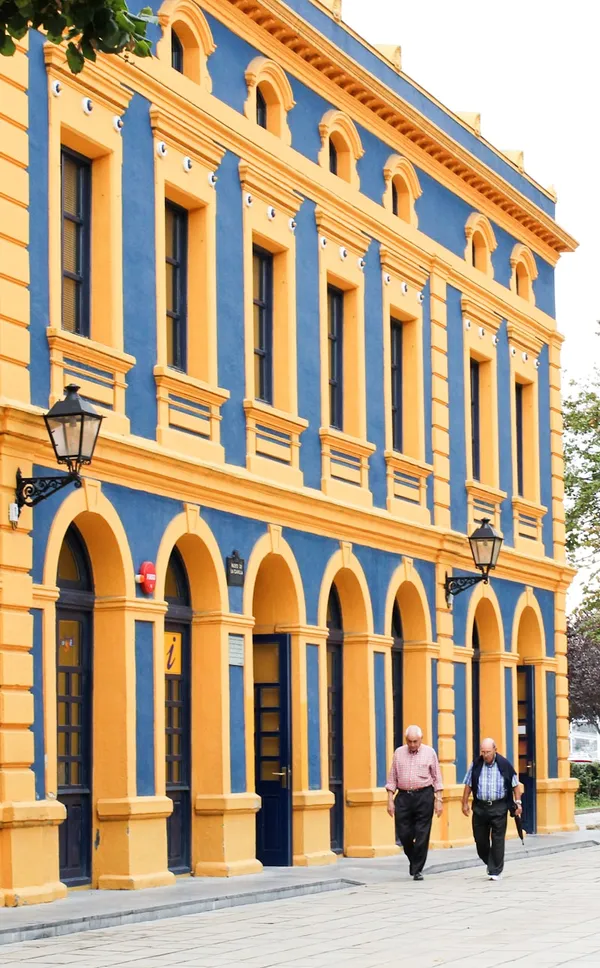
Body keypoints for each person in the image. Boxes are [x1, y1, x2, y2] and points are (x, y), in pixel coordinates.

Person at [386, 725, 443, 881]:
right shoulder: (398, 753)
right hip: (403, 796)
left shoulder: (429, 753)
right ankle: (414, 859)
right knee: (403, 833)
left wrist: (439, 800)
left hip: (424, 795)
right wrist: (390, 800)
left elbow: (437, 778)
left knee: (422, 833)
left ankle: (417, 869)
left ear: (421, 740)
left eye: (415, 742)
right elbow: (392, 779)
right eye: (409, 741)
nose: (412, 745)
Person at [462, 737, 523, 881]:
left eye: (488, 752)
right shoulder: (476, 764)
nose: (485, 755)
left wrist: (518, 803)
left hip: (499, 806)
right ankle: (491, 862)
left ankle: (495, 870)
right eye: (483, 752)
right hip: (480, 807)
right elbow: (468, 784)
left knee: (497, 839)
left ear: (495, 750)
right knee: (480, 840)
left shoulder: (504, 764)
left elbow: (515, 785)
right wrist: (464, 802)